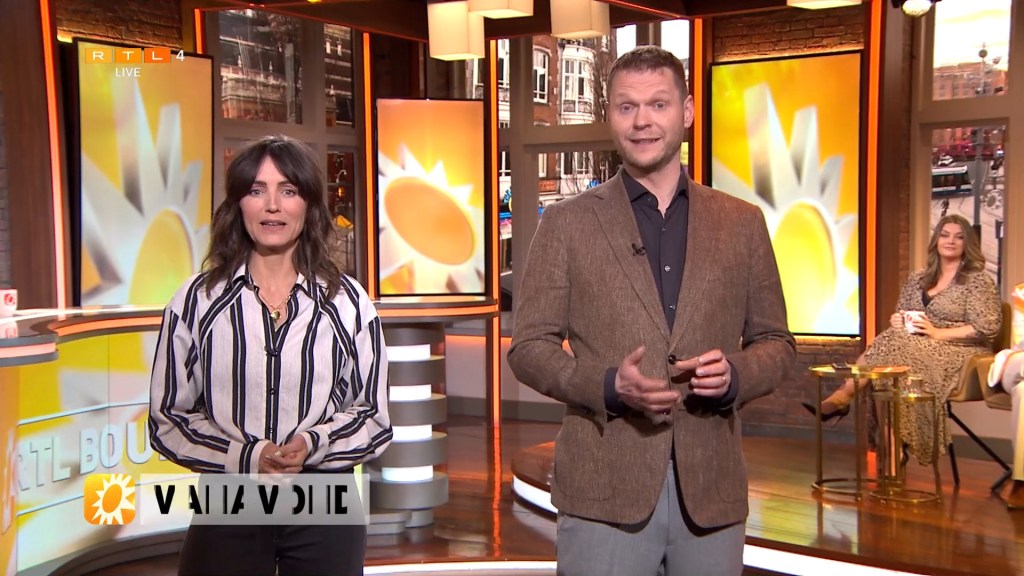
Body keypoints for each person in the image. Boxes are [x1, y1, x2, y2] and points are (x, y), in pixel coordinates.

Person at [507, 46, 795, 576]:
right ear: (610, 117)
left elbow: (777, 344)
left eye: (658, 104)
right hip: (603, 492)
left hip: (710, 492)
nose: (642, 121)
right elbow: (529, 348)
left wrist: (734, 376)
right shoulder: (566, 224)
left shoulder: (741, 223)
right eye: (627, 107)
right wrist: (608, 386)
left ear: (686, 112)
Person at [149, 136, 392, 576]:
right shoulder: (196, 302)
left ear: (308, 205)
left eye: (288, 190)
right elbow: (168, 418)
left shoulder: (349, 304)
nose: (272, 205)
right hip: (229, 499)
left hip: (325, 500)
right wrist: (248, 456)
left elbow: (373, 418)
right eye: (257, 190)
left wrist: (312, 444)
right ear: (238, 205)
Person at [803, 214, 1001, 465]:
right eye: (945, 235)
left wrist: (937, 333)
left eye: (959, 237)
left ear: (967, 243)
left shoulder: (977, 280)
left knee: (888, 356)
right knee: (888, 364)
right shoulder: (919, 278)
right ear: (936, 240)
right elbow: (902, 313)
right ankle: (892, 447)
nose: (950, 241)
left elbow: (986, 328)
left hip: (960, 352)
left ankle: (846, 396)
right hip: (912, 346)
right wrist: (897, 320)